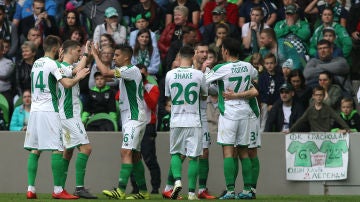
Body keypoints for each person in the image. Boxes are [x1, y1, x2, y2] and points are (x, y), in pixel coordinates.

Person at [24, 35, 89, 199]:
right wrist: (79, 77)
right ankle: (58, 190)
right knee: (58, 149)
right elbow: (67, 83)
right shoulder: (53, 64)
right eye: (60, 48)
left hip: (34, 110)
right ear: (55, 49)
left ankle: (31, 188)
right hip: (49, 110)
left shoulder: (36, 64)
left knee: (35, 150)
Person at [92, 44, 150, 199]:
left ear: (126, 57)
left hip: (134, 118)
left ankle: (121, 190)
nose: (114, 57)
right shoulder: (126, 72)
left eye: (117, 55)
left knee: (125, 151)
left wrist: (95, 56)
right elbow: (106, 74)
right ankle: (143, 192)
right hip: (130, 118)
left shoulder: (130, 70)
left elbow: (104, 72)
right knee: (135, 155)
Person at [205, 37, 258, 199]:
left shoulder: (222, 67)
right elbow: (255, 77)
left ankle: (230, 191)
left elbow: (204, 81)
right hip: (245, 111)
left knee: (228, 152)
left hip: (229, 112)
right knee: (244, 152)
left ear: (226, 51)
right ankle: (248, 190)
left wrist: (206, 70)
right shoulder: (248, 66)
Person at [164, 45, 207, 200]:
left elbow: (169, 97)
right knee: (194, 157)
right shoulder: (198, 75)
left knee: (176, 153)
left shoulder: (170, 74)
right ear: (193, 56)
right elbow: (203, 95)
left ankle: (177, 181)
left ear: (179, 55)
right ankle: (191, 193)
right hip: (194, 120)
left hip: (176, 120)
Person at [57, 40, 97, 199]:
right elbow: (79, 69)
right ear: (71, 51)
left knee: (68, 152)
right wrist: (87, 54)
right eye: (78, 51)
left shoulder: (62, 67)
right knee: (86, 149)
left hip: (67, 114)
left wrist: (88, 53)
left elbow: (79, 68)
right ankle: (79, 188)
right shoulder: (62, 67)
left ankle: (59, 189)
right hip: (69, 115)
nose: (79, 54)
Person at [130, 64, 161, 194]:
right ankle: (136, 188)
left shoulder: (152, 87)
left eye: (142, 75)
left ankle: (155, 188)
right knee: (132, 158)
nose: (140, 77)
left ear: (146, 74)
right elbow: (118, 96)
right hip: (134, 125)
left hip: (148, 126)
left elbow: (152, 104)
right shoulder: (130, 86)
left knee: (149, 158)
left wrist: (142, 89)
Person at [258, 53, 285, 131]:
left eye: (271, 63)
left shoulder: (280, 78)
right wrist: (265, 103)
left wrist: (274, 105)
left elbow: (280, 93)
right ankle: (263, 135)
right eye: (267, 63)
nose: (269, 65)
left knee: (279, 118)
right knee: (265, 121)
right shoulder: (262, 77)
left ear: (275, 63)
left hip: (277, 104)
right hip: (265, 104)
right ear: (264, 64)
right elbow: (261, 91)